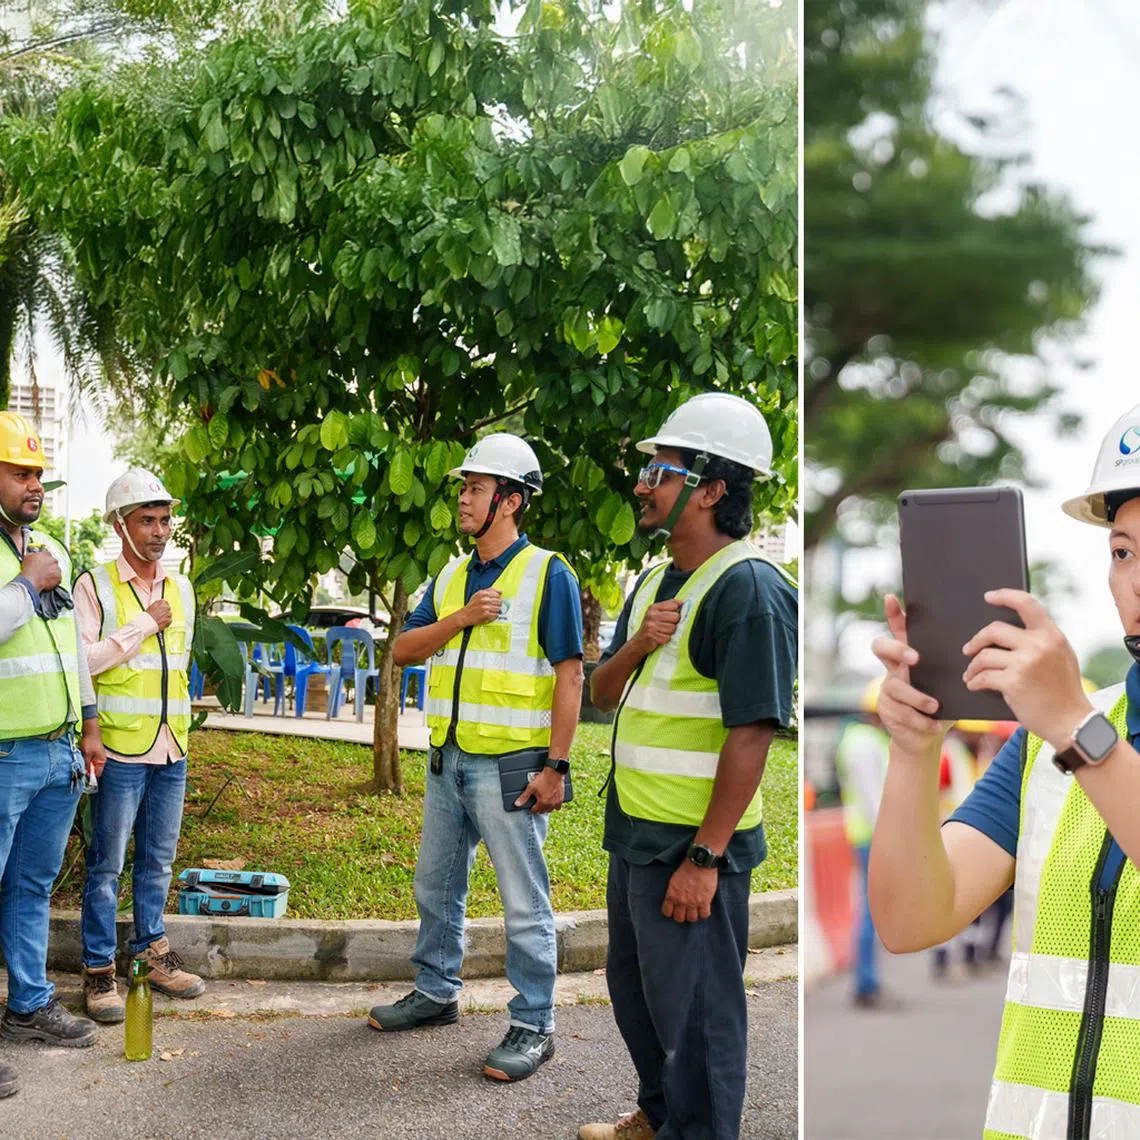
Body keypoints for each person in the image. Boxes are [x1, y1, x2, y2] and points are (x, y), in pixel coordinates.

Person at [870, 401, 1140, 1140]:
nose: (1138, 581)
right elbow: (909, 918)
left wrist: (1070, 725)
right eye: (1123, 551)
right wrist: (914, 749)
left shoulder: (1074, 735)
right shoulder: (1050, 749)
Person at [578, 393, 798, 1140]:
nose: (643, 484)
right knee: (638, 993)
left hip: (692, 846)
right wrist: (637, 644)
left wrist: (705, 856)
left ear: (709, 487)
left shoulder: (750, 589)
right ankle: (659, 1113)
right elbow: (600, 696)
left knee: (699, 1014)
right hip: (636, 832)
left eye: (660, 471)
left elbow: (753, 735)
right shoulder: (652, 581)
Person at [367, 433, 584, 1084]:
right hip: (447, 761)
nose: (463, 498)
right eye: (463, 488)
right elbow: (404, 650)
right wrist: (460, 618)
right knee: (435, 887)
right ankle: (435, 992)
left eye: (477, 488)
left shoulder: (549, 573)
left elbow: (571, 675)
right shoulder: (453, 576)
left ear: (511, 501)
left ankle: (534, 1025)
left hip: (512, 767)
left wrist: (558, 767)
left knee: (524, 903)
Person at [72, 469, 204, 1023]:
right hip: (120, 749)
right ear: (120, 526)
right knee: (106, 865)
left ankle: (150, 954)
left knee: (157, 861)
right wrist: (143, 626)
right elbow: (83, 664)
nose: (159, 530)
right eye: (146, 520)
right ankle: (99, 970)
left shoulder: (182, 588)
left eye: (164, 519)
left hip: (170, 747)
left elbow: (180, 666)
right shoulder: (94, 585)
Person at [0, 411, 103, 1094]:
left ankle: (28, 1004)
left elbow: (69, 647)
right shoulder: (30, 567)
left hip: (56, 751)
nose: (33, 484)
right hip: (4, 755)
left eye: (38, 473)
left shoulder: (45, 548)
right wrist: (24, 586)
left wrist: (89, 721)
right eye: (19, 473)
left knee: (32, 887)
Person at [834, 681, 890, 1006]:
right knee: (870, 910)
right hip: (870, 836)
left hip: (867, 834)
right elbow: (873, 798)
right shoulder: (864, 743)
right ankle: (866, 983)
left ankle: (869, 981)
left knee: (871, 908)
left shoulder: (864, 739)